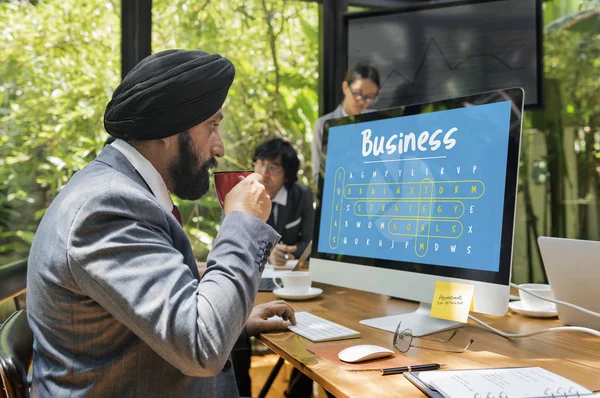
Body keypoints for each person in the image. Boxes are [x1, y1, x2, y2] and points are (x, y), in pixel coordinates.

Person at [26, 49, 296, 397]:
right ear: (169, 129)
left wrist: (233, 322)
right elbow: (203, 345)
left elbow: (153, 319)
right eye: (212, 126)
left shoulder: (117, 191)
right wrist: (241, 222)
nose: (220, 148)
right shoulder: (105, 208)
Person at [311, 62, 381, 186]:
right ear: (345, 87)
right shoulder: (325, 124)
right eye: (357, 93)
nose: (362, 101)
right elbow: (318, 174)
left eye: (370, 97)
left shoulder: (377, 121)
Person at [253, 138, 314, 265]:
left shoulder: (302, 195)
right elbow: (232, 242)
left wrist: (285, 253)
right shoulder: (240, 194)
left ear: (287, 174)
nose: (264, 172)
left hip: (288, 271)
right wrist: (268, 253)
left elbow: (310, 242)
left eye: (273, 167)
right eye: (261, 163)